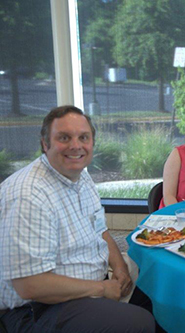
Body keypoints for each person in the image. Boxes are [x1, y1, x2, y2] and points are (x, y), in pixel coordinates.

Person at [0, 106, 155, 332]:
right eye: (64, 138)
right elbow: (29, 285)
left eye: (83, 137)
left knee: (156, 290)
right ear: (45, 144)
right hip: (38, 308)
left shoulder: (80, 175)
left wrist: (120, 268)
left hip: (88, 288)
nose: (75, 145)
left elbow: (100, 230)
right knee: (138, 323)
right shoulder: (28, 196)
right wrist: (101, 289)